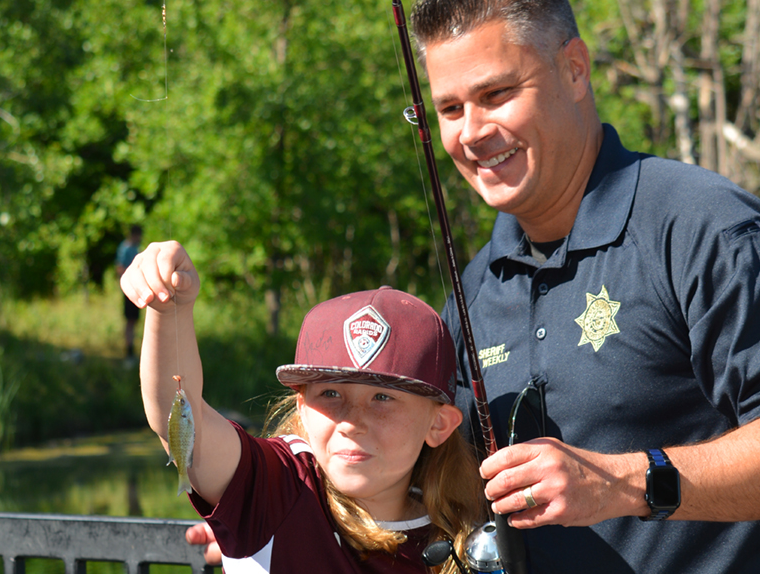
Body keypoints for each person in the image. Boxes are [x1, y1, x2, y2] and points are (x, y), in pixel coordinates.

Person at [407, 0, 760, 573]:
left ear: (574, 69)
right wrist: (270, 504)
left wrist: (624, 482)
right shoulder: (473, 288)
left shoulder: (706, 226)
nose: (472, 132)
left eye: (496, 94)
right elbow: (426, 478)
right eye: (450, 110)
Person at [120, 241, 486, 573]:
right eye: (330, 394)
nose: (351, 422)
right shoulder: (279, 486)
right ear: (303, 409)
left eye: (382, 398)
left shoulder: (463, 533)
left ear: (439, 425)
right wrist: (170, 312)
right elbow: (182, 419)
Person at [115, 224, 143, 360]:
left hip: (138, 288)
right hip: (129, 290)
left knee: (134, 321)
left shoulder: (136, 248)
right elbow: (119, 267)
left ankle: (132, 351)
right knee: (129, 322)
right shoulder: (125, 248)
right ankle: (128, 352)